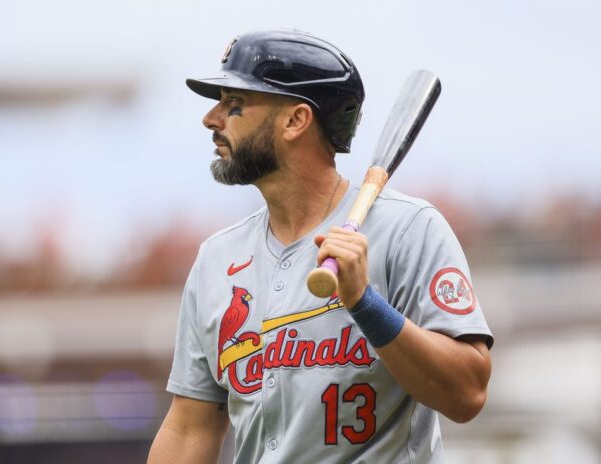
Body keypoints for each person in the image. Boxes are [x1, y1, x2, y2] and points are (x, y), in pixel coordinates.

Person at [148, 30, 493, 464]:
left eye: (234, 104)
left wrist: (365, 303)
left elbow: (467, 393)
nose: (211, 118)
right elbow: (189, 428)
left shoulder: (408, 229)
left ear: (296, 121)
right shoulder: (217, 259)